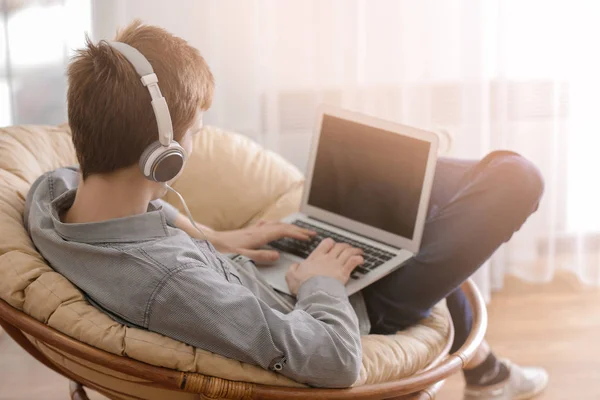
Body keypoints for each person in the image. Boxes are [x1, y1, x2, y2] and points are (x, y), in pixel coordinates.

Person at [24, 21, 548, 399]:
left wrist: (214, 237)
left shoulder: (53, 202)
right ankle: (486, 369)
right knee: (517, 178)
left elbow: (115, 213)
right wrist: (323, 283)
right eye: (196, 135)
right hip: (356, 308)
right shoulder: (171, 285)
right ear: (165, 159)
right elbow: (335, 361)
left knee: (400, 194)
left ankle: (485, 370)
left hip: (271, 274)